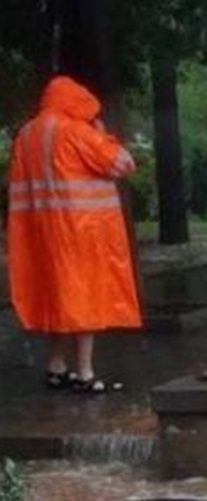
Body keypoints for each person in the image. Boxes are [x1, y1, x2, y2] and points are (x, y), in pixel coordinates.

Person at [6, 75, 141, 393]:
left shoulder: (27, 134)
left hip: (40, 234)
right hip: (80, 231)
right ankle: (85, 373)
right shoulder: (76, 132)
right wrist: (104, 135)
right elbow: (123, 164)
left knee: (58, 298)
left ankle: (56, 366)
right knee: (85, 300)